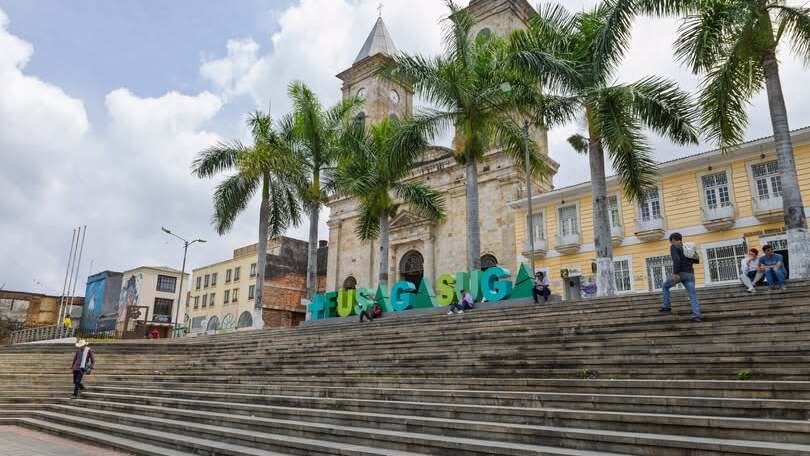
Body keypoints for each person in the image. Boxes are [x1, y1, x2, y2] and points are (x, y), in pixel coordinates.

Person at [660, 232, 703, 322]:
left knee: (665, 286)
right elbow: (696, 260)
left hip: (680, 274)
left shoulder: (674, 247)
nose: (671, 243)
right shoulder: (688, 247)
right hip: (690, 274)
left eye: (671, 242)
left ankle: (666, 306)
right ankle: (697, 316)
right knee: (692, 295)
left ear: (673, 240)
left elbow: (676, 260)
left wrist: (675, 273)